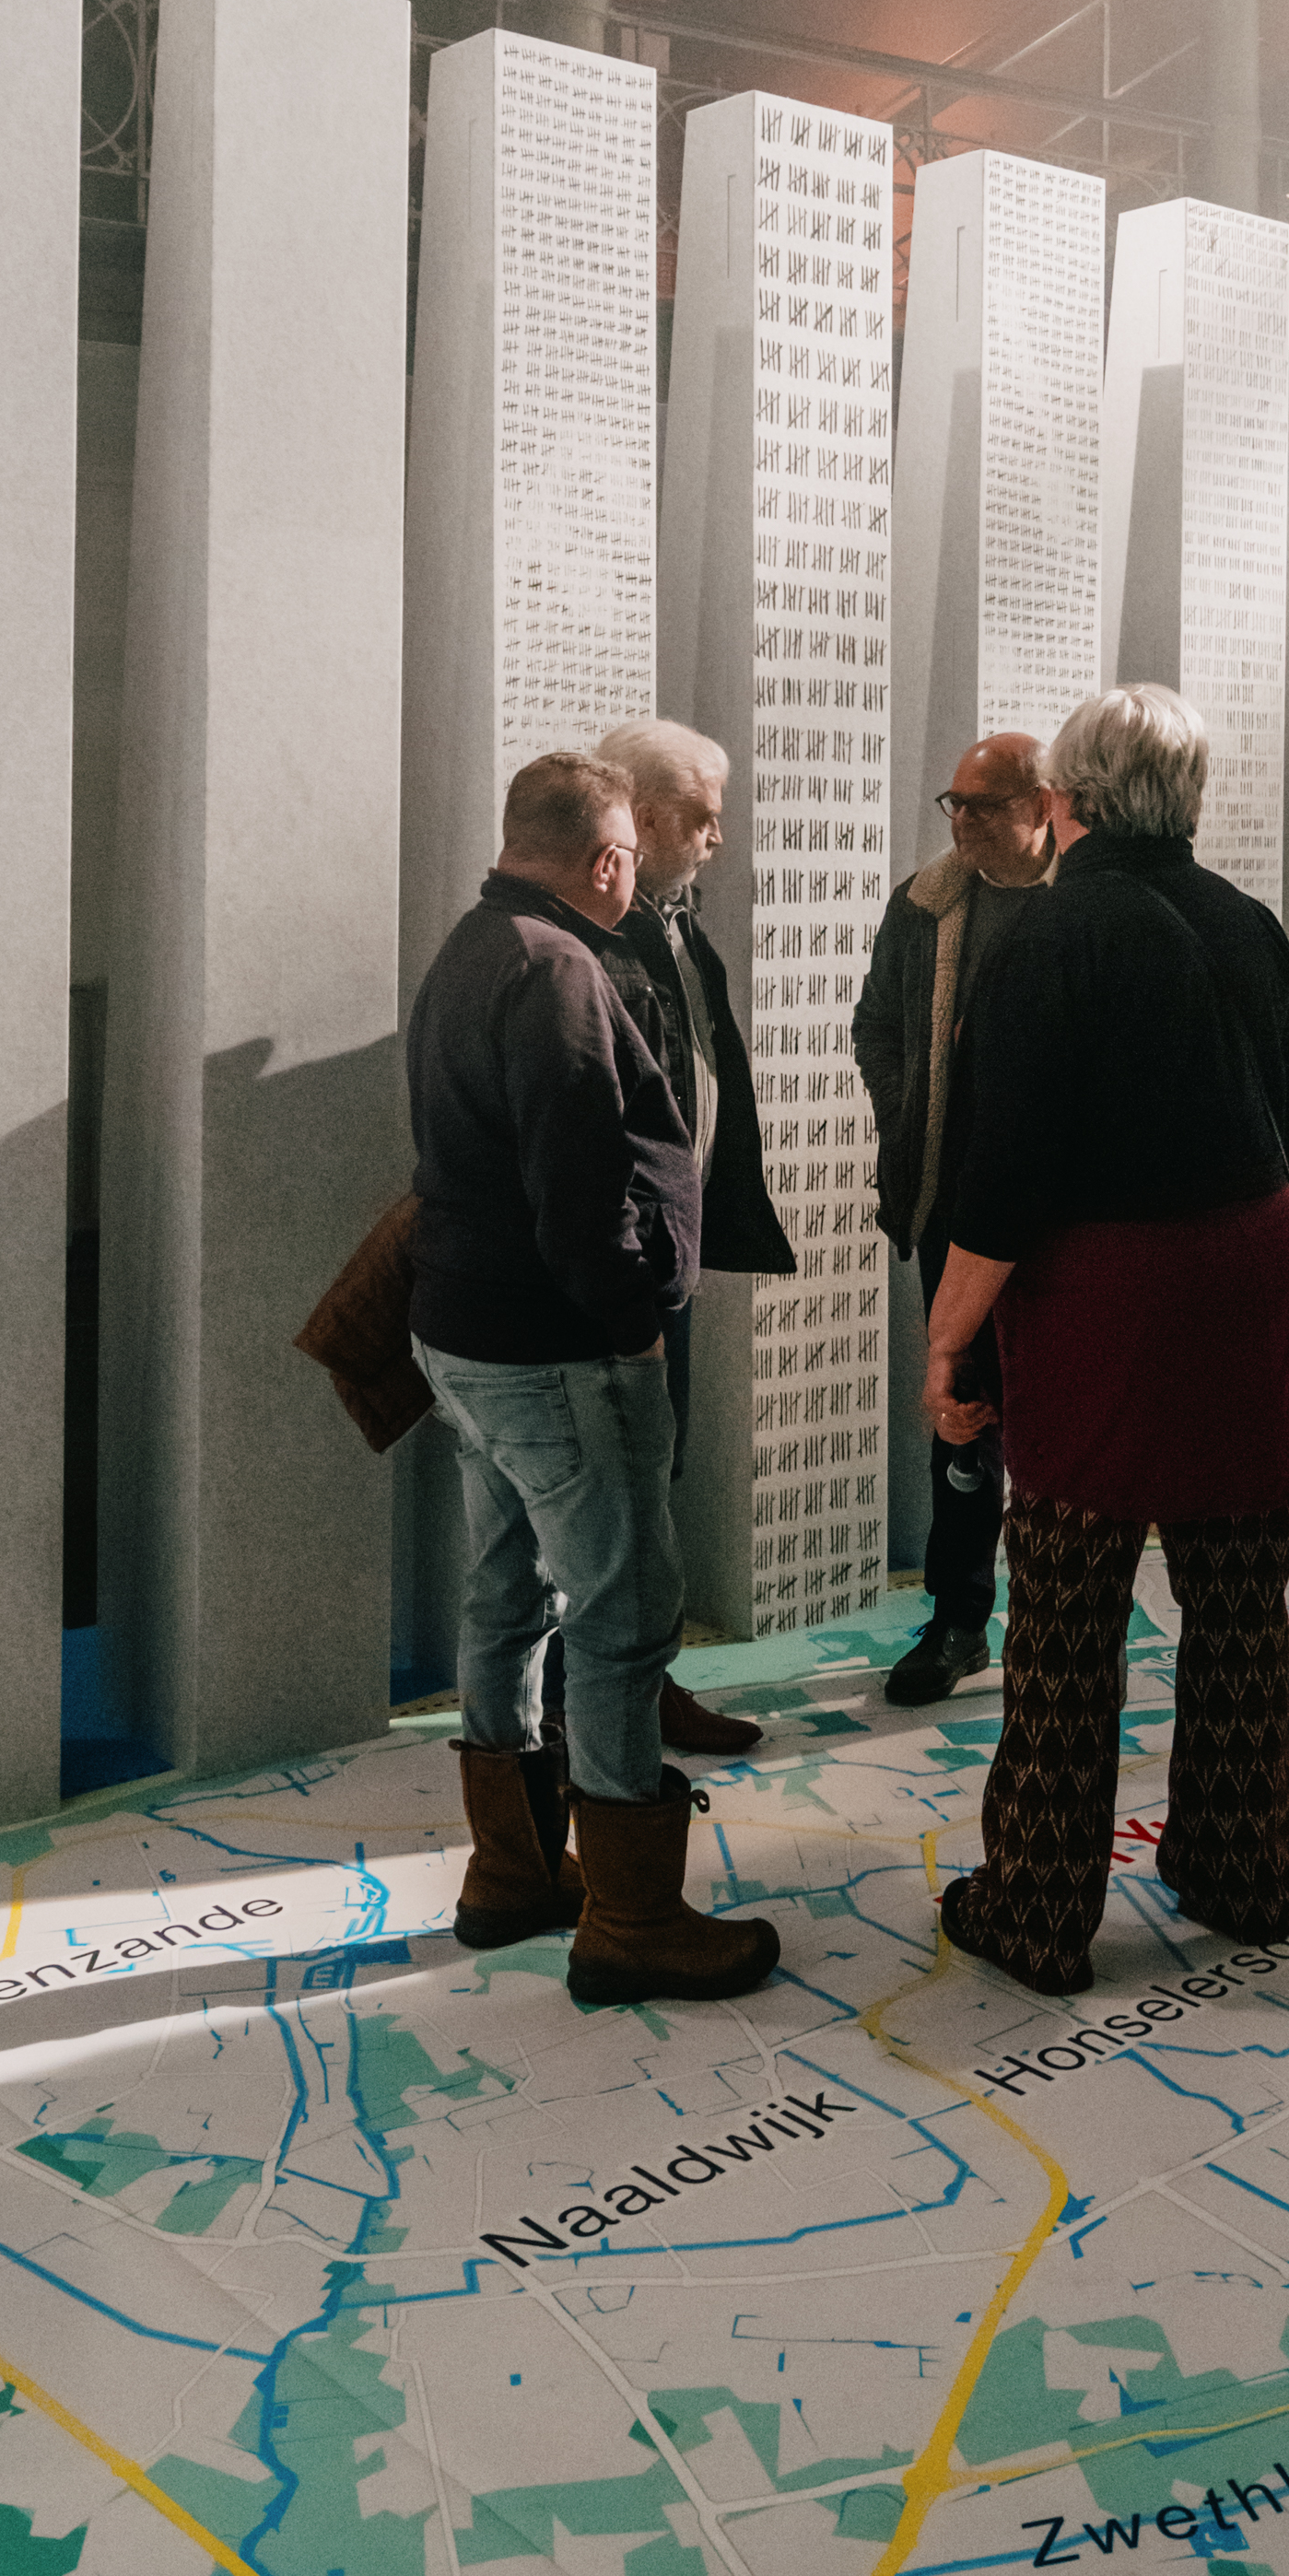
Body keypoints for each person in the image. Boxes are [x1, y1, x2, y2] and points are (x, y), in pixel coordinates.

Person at [925, 685, 1289, 1994]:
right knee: (1237, 1610)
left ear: (1065, 800)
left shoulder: (1049, 935)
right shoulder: (1248, 924)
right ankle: (1239, 1871)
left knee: (1063, 1621)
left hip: (1107, 1300)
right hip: (1253, 1282)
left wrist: (947, 1343)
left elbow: (1003, 1179)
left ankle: (1038, 1910)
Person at [405, 749, 778, 2004]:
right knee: (619, 1621)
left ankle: (510, 1871)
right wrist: (632, 1328)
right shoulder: (559, 967)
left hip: (466, 1340)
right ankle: (631, 1918)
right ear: (608, 858)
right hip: (556, 1352)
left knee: (504, 1594)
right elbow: (581, 1193)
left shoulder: (472, 944)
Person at [591, 716, 795, 1758]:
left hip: (664, 1252)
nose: (719, 836)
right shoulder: (593, 938)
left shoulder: (671, 923)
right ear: (646, 812)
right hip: (620, 1268)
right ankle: (609, 1704)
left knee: (653, 1472)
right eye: (703, 816)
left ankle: (636, 1684)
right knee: (616, 1489)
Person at [851, 730, 1052, 1704]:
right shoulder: (923, 905)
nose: (962, 820)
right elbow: (875, 1026)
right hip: (952, 1201)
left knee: (1059, 1413)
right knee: (961, 1418)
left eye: (984, 803)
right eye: (953, 802)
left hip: (1061, 1217)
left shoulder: (1081, 908)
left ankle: (1066, 1619)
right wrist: (912, 1119)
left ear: (1043, 806)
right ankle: (959, 1618)